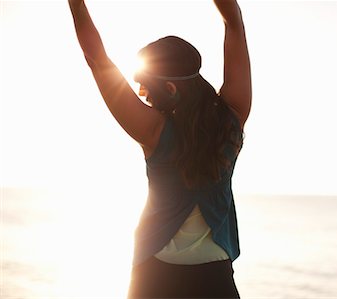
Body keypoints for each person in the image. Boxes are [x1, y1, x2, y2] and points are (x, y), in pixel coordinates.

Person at [69, 0, 251, 298]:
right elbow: (234, 23)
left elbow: (98, 60)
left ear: (170, 89)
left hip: (155, 277)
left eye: (144, 85)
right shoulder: (232, 117)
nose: (140, 93)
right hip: (215, 277)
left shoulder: (153, 130)